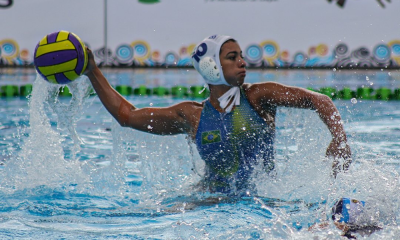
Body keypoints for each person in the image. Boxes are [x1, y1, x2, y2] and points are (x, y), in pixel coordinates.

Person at [84, 35, 351, 195]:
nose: (242, 62)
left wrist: (339, 139)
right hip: (209, 201)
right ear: (210, 65)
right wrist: (92, 71)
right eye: (232, 57)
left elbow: (319, 100)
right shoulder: (193, 116)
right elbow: (127, 116)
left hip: (260, 201)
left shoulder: (258, 97)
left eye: (241, 56)